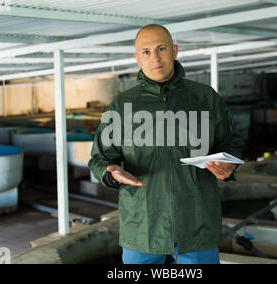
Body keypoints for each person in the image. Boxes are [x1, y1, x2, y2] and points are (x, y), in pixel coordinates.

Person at [88, 24, 243, 264]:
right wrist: (111, 174)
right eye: (146, 51)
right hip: (142, 224)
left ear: (175, 51)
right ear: (137, 58)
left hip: (196, 221)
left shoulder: (205, 97)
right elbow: (100, 158)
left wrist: (229, 165)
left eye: (161, 48)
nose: (155, 57)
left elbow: (232, 140)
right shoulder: (122, 105)